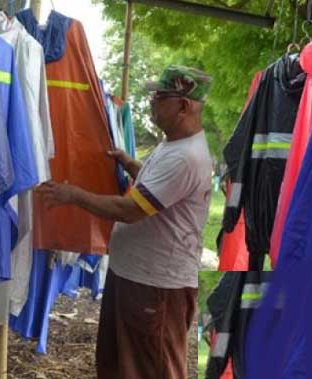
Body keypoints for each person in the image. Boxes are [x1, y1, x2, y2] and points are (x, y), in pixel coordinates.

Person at [37, 65, 213, 379]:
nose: (151, 104)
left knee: (150, 369)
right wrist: (130, 164)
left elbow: (132, 209)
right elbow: (157, 189)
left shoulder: (186, 157)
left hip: (156, 287)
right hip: (136, 278)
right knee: (120, 366)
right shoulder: (174, 145)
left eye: (159, 97)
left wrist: (73, 195)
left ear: (183, 106)